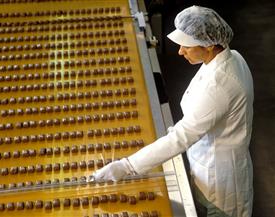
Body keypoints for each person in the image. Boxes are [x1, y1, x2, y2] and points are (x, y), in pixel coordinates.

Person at [93, 5, 253, 217]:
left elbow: (181, 137)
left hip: (221, 183)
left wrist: (127, 165)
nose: (180, 51)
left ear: (209, 45)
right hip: (204, 165)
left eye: (187, 45)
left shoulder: (219, 85)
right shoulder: (231, 57)